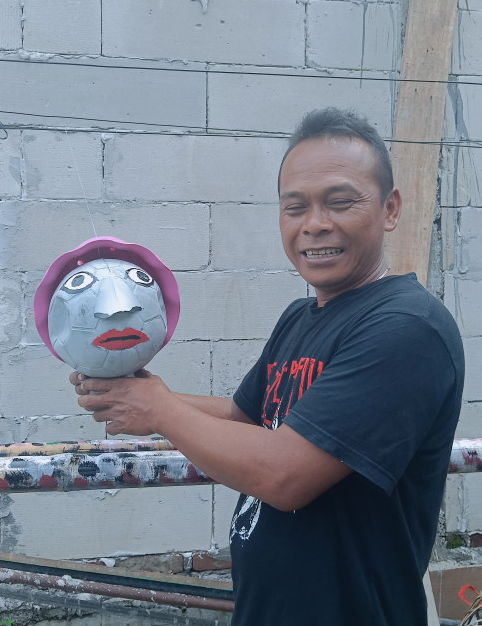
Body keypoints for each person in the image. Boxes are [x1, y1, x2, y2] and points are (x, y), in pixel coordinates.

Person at [71, 108, 464, 626]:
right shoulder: (300, 317)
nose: (314, 224)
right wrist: (137, 390)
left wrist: (160, 410)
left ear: (390, 209)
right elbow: (245, 419)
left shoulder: (407, 328)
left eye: (340, 202)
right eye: (295, 207)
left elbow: (285, 475)